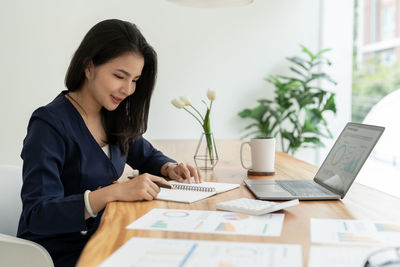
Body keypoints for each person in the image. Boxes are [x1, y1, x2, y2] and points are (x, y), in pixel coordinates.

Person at [17, 19, 202, 267]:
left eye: (135, 79)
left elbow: (144, 154)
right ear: (89, 66)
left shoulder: (112, 115)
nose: (128, 89)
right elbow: (38, 214)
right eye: (119, 76)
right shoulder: (49, 124)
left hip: (104, 235)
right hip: (59, 253)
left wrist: (170, 168)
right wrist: (114, 192)